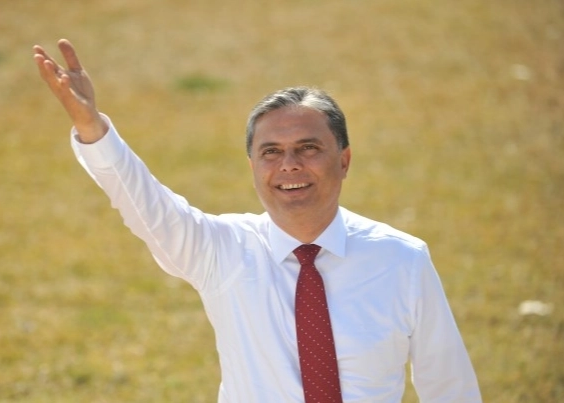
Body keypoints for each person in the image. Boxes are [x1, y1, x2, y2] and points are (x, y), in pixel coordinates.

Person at [34, 39, 482, 403]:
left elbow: (450, 388)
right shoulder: (221, 251)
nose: (289, 165)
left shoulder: (403, 260)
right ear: (252, 166)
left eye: (308, 148)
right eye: (271, 152)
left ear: (344, 160)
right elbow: (144, 203)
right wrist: (92, 128)